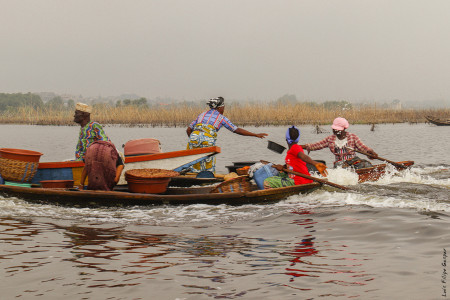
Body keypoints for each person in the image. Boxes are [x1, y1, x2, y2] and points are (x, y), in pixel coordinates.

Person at [186, 97, 268, 173]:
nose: (224, 109)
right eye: (223, 107)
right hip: (207, 139)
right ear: (219, 108)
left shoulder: (201, 115)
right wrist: (255, 135)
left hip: (194, 137)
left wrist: (195, 140)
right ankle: (207, 179)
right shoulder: (221, 117)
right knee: (208, 163)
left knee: (195, 161)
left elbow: (188, 130)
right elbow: (236, 130)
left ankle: (194, 175)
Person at [263, 126, 327, 189]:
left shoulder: (295, 147)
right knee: (279, 174)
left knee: (267, 181)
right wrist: (283, 167)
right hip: (297, 178)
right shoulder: (292, 149)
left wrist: (315, 163)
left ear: (286, 139)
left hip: (299, 181)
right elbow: (293, 165)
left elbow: (303, 157)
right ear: (298, 139)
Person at [303, 117, 378, 168]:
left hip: (353, 161)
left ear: (344, 129)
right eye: (334, 129)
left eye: (338, 129)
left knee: (366, 164)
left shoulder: (352, 137)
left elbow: (363, 148)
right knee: (339, 166)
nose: (335, 131)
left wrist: (370, 152)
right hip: (340, 163)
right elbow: (316, 145)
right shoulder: (330, 139)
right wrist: (301, 147)